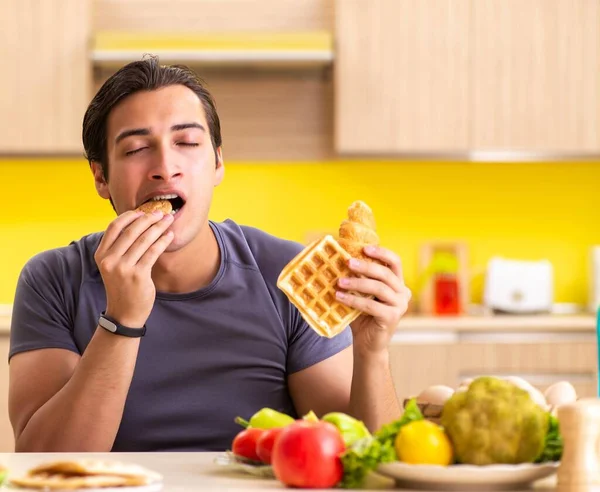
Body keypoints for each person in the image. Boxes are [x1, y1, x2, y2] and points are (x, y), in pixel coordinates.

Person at [8, 56, 412, 452]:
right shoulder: (53, 280)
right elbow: (44, 460)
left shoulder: (283, 275)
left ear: (218, 161)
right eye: (135, 149)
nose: (165, 167)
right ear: (100, 176)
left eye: (187, 142)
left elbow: (361, 457)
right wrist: (122, 320)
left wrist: (372, 350)